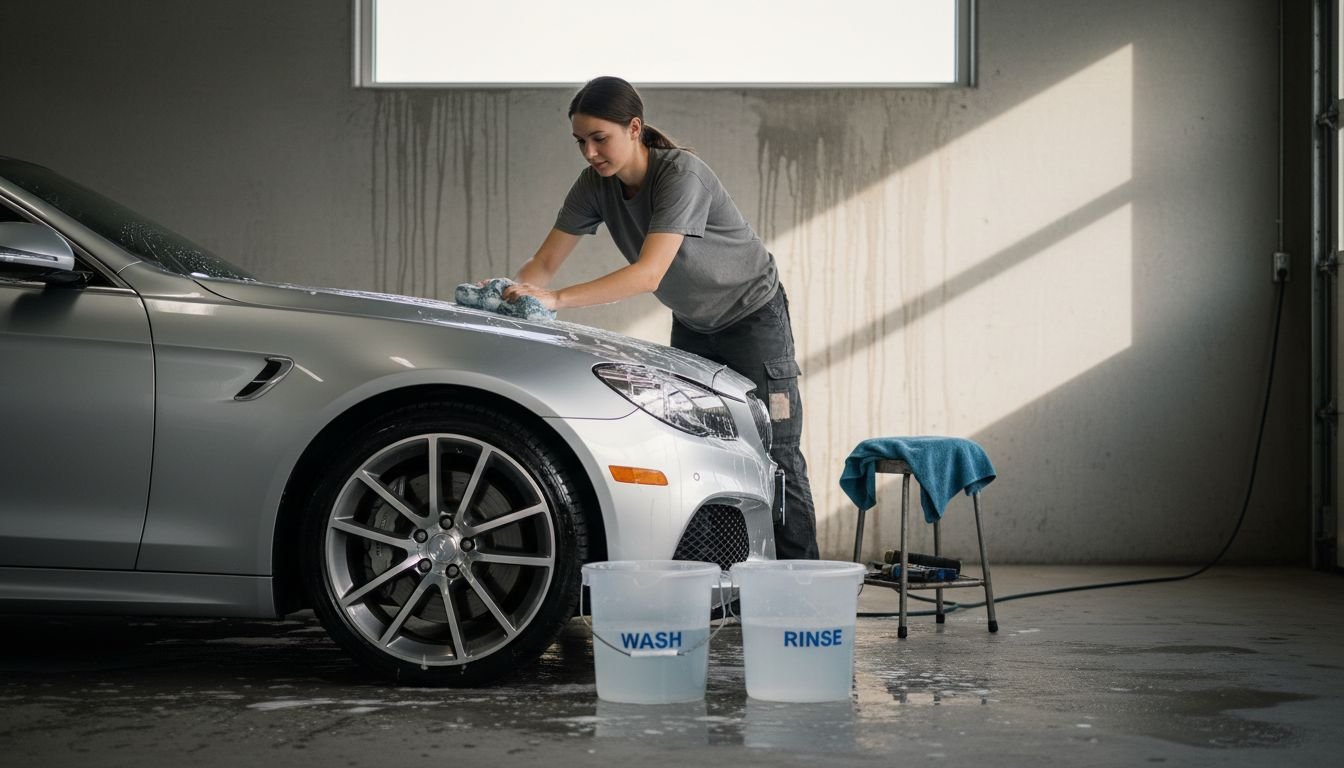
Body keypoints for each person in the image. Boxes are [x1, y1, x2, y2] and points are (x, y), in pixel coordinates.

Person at [504, 76, 818, 559]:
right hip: (694, 322)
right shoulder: (595, 185)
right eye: (580, 142)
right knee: (702, 448)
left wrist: (555, 300)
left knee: (775, 450)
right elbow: (542, 265)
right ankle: (721, 580)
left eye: (599, 138)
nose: (589, 152)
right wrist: (512, 294)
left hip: (753, 315)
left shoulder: (681, 175)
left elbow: (648, 274)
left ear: (634, 128)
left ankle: (801, 588)